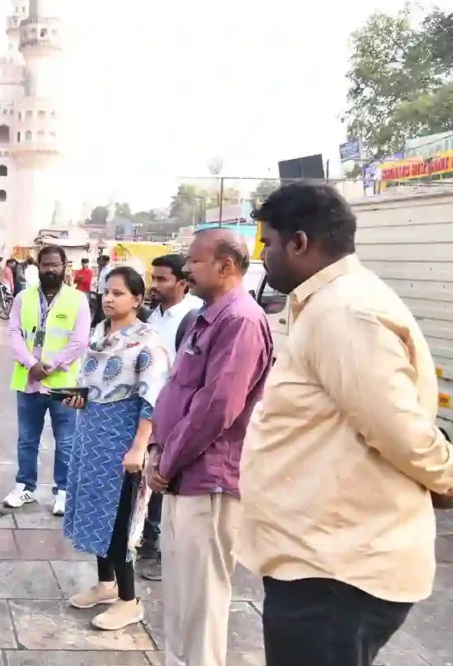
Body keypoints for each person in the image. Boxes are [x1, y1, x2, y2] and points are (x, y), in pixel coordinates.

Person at [240, 182, 453, 666]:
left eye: (268, 243)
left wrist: (446, 480)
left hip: (338, 572)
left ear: (299, 243)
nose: (265, 256)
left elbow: (400, 430)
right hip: (320, 559)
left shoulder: (345, 312)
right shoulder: (326, 304)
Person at [145, 228, 272, 666]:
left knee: (202, 600)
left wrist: (169, 458)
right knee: (179, 593)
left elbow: (216, 408)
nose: (186, 270)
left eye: (195, 263)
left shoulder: (240, 321)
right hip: (179, 472)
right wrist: (157, 448)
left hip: (207, 477)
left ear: (225, 266)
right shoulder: (205, 316)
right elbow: (177, 392)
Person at [63, 266, 170, 631]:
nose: (109, 298)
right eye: (106, 291)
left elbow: (151, 400)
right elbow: (91, 383)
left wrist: (139, 447)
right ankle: (106, 585)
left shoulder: (147, 342)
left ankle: (129, 600)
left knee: (119, 519)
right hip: (91, 436)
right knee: (94, 511)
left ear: (138, 300)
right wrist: (78, 398)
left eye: (119, 293)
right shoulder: (99, 334)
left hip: (121, 442)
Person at [5, 245, 91, 515]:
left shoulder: (78, 300)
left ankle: (63, 492)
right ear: (38, 267)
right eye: (46, 265)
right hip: (28, 380)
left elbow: (80, 341)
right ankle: (25, 487)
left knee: (66, 440)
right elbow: (13, 333)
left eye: (56, 264)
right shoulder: (23, 298)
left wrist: (51, 365)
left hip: (65, 381)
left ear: (65, 266)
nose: (51, 269)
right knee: (27, 438)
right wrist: (32, 364)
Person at [136, 253, 203, 582]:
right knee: (147, 477)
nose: (155, 285)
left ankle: (159, 547)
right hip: (148, 410)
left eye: (162, 279)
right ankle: (145, 538)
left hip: (173, 414)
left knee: (164, 480)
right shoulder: (150, 316)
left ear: (182, 282)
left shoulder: (191, 319)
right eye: (154, 277)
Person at [91, 254, 111, 328]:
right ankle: (96, 322)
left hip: (104, 292)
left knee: (101, 309)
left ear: (105, 261)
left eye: (100, 261)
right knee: (98, 308)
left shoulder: (109, 270)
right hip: (99, 291)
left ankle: (99, 323)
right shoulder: (101, 269)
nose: (99, 263)